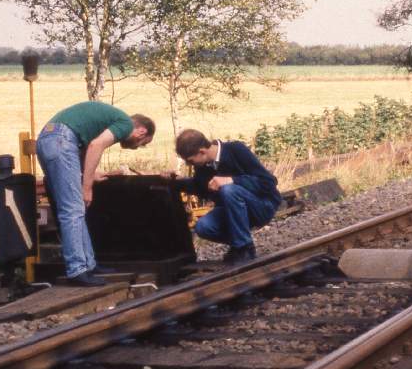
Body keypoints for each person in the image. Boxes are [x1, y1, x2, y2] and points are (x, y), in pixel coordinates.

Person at [36, 101, 154, 286]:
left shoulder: (112, 119)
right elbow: (95, 146)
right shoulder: (125, 123)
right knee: (73, 210)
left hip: (50, 139)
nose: (136, 147)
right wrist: (87, 186)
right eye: (142, 144)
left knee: (76, 209)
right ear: (141, 132)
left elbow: (86, 144)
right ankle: (77, 270)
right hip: (61, 141)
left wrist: (88, 173)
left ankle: (89, 265)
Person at [173, 129, 281, 264]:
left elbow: (268, 182)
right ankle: (241, 244)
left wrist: (232, 180)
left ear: (202, 151)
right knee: (203, 227)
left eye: (190, 161)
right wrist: (175, 181)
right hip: (234, 211)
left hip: (263, 205)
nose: (189, 164)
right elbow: (200, 188)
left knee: (229, 190)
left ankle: (243, 248)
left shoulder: (236, 150)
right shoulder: (203, 166)